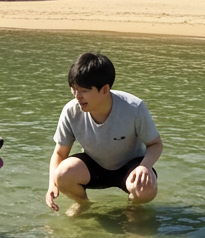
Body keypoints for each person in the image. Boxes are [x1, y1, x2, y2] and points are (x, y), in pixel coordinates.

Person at [46, 52, 162, 212]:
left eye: (84, 91)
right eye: (74, 89)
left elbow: (155, 144)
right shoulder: (71, 111)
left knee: (147, 188)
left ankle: (134, 211)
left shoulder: (134, 108)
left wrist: (145, 166)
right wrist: (52, 183)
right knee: (62, 173)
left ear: (105, 89)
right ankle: (82, 205)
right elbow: (59, 153)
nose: (77, 96)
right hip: (94, 167)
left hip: (130, 167)